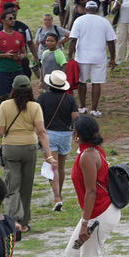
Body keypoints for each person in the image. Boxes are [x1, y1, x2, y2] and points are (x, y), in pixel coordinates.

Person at [64, 115, 122, 257]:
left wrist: (85, 224)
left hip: (99, 215)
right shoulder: (93, 150)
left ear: (78, 134)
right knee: (72, 253)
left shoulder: (87, 156)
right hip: (100, 212)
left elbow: (91, 192)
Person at [0, 76, 53, 234]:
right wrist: (48, 155)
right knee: (27, 186)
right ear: (29, 89)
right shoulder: (35, 106)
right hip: (29, 147)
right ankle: (25, 222)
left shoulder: (5, 105)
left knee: (12, 186)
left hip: (10, 147)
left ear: (13, 88)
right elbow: (41, 132)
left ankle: (14, 220)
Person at [38, 70, 79, 212]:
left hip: (49, 134)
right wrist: (76, 135)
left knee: (52, 167)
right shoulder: (70, 99)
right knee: (61, 167)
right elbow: (76, 118)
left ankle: (57, 197)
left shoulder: (43, 98)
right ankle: (59, 194)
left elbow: (38, 117)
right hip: (66, 135)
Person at [68, 0, 117, 117]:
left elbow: (73, 39)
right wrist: (112, 58)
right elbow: (111, 41)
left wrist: (70, 56)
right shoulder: (104, 21)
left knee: (82, 82)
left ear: (86, 9)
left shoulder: (79, 20)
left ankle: (82, 107)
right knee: (96, 83)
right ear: (97, 10)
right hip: (99, 57)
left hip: (82, 57)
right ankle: (94, 109)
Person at [0, 10, 28, 99]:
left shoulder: (19, 36)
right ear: (3, 20)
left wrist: (20, 57)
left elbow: (25, 53)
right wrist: (4, 55)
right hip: (3, 71)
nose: (13, 20)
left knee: (20, 96)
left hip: (17, 70)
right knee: (3, 97)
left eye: (14, 18)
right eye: (10, 19)